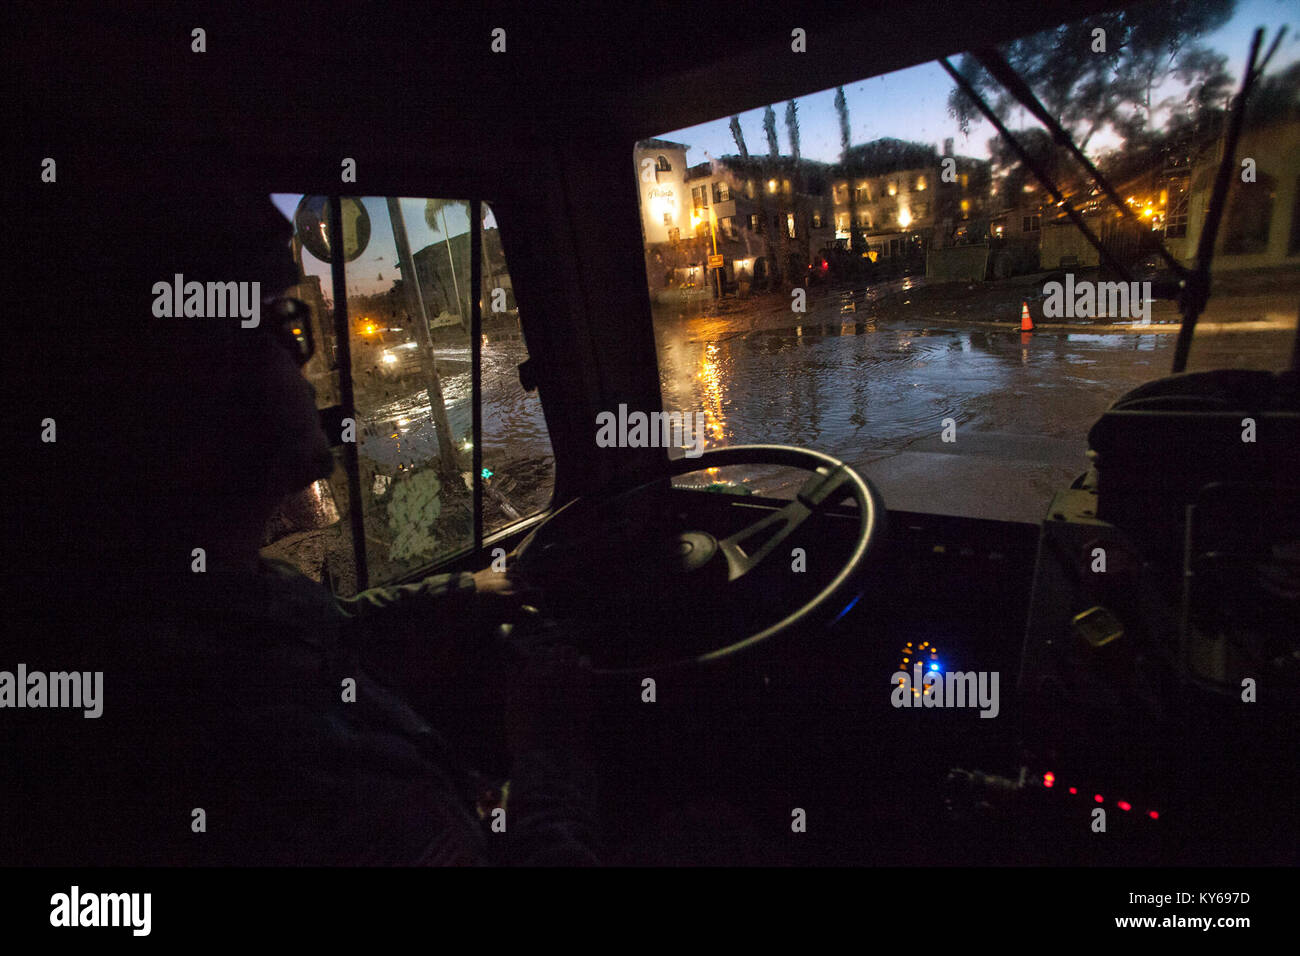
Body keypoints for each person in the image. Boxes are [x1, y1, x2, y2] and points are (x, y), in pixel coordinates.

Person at [5, 163, 598, 866]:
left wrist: (467, 590)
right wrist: (548, 753)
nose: (306, 369)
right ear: (185, 380)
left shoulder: (194, 604)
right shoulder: (284, 762)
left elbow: (332, 630)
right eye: (284, 328)